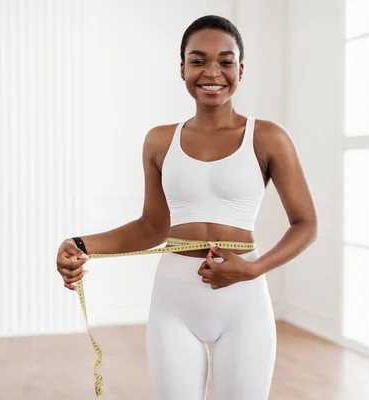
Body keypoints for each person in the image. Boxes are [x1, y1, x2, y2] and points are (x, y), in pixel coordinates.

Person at [56, 15, 317, 400]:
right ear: (182, 69)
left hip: (244, 302)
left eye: (226, 61)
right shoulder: (160, 141)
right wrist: (80, 243)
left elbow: (306, 223)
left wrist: (253, 269)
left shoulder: (268, 137)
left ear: (241, 69)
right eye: (198, 61)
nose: (212, 71)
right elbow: (151, 228)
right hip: (174, 300)